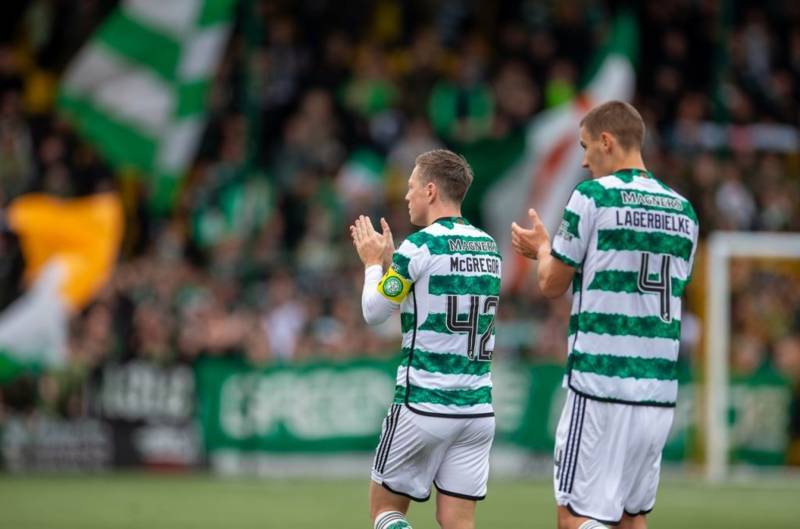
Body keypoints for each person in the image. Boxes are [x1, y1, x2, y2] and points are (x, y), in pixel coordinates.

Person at [510, 101, 699, 529]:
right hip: (657, 393)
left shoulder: (592, 196)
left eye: (585, 146)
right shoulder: (684, 211)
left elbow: (551, 282)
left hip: (600, 384)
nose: (583, 160)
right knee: (632, 518)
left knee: (574, 517)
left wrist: (542, 249)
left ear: (607, 142)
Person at [350, 149, 502, 529]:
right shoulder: (489, 247)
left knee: (385, 512)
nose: (407, 195)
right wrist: (392, 266)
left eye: (412, 186)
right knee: (458, 522)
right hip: (476, 410)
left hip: (423, 405)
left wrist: (373, 264)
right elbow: (431, 293)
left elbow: (374, 311)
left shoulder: (419, 245)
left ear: (431, 190)